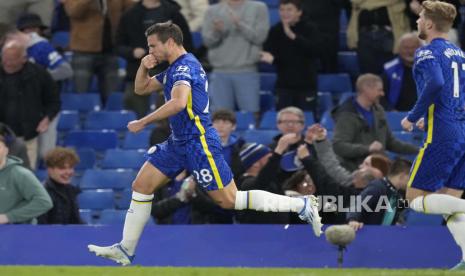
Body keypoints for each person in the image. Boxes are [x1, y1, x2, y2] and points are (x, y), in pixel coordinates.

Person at [87, 23, 321, 265]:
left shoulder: (184, 68)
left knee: (230, 200)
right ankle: (126, 249)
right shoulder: (174, 69)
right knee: (142, 185)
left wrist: (143, 121)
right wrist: (142, 67)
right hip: (178, 142)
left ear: (169, 42)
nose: (150, 50)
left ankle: (301, 204)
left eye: (153, 45)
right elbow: (141, 88)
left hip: (199, 144)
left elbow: (178, 103)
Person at [399, 1, 465, 270]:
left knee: (414, 198)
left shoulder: (427, 53)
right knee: (452, 202)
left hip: (445, 133)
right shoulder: (460, 53)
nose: (417, 22)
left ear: (428, 23)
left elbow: (436, 83)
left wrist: (414, 115)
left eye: (419, 18)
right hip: (461, 129)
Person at [332, 73, 418, 171]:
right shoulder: (347, 114)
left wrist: (418, 150)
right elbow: (338, 146)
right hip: (356, 171)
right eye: (379, 90)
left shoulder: (378, 110)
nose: (382, 94)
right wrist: (367, 149)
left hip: (380, 168)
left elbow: (390, 142)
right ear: (367, 89)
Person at [0, 39, 60, 169]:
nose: (6, 62)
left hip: (28, 136)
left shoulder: (38, 74)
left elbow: (53, 101)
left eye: (11, 59)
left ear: (23, 59)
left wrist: (47, 118)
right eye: (4, 58)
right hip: (0, 138)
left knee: (26, 176)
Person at [260, 0, 324, 113]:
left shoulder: (311, 28)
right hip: (284, 85)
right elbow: (271, 54)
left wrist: (293, 36)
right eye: (282, 10)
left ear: (299, 12)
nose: (285, 13)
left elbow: (316, 51)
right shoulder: (276, 30)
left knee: (306, 120)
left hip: (306, 85)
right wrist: (271, 59)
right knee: (284, 120)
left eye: (289, 9)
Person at [0, 134, 53, 224]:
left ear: (6, 150)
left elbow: (44, 202)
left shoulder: (20, 174)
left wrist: (8, 217)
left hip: (18, 232)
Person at [347, 158, 412, 230]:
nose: (412, 182)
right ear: (402, 176)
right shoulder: (377, 187)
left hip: (382, 236)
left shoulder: (397, 193)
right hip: (366, 234)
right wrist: (353, 220)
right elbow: (358, 203)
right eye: (411, 178)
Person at [38, 147, 82, 225]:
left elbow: (76, 222)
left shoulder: (71, 191)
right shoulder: (41, 193)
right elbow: (41, 227)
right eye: (62, 168)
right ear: (50, 170)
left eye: (70, 167)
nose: (68, 172)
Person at [382, 32, 422, 111]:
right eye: (406, 48)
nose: (410, 51)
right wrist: (391, 111)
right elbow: (381, 97)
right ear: (399, 49)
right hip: (397, 116)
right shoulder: (389, 69)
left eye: (413, 47)